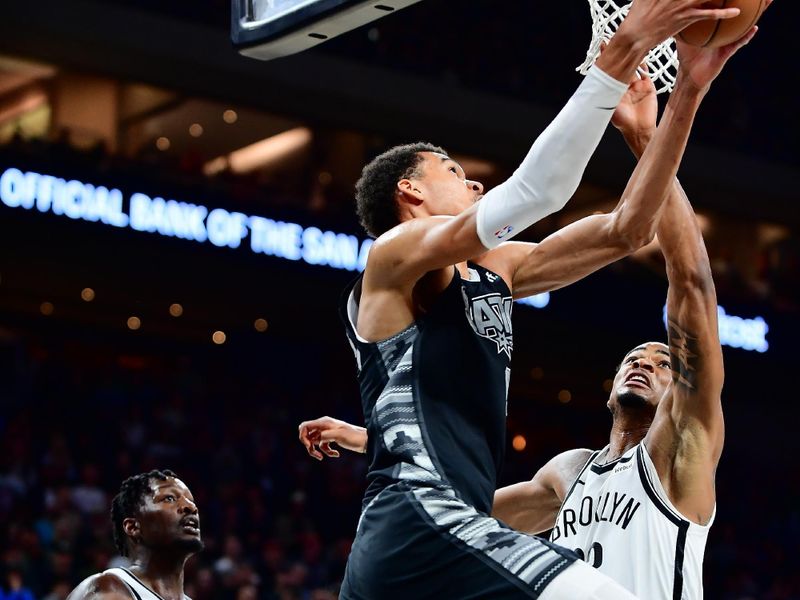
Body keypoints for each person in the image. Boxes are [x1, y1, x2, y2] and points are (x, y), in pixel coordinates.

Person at [300, 14, 768, 597]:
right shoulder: (394, 257)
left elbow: (630, 229)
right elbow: (534, 192)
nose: (473, 185)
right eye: (454, 172)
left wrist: (680, 103)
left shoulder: (497, 270)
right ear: (411, 192)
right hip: (423, 523)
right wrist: (621, 51)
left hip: (430, 544)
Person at [67, 469, 202, 600]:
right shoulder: (106, 590)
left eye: (191, 500)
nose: (191, 507)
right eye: (169, 498)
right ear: (132, 527)